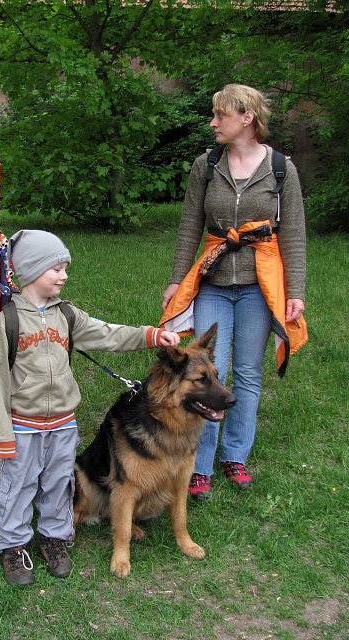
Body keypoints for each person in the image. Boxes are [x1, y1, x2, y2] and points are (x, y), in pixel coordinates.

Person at [0, 230, 180, 586]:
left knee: (59, 483)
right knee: (18, 484)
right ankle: (13, 545)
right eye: (56, 269)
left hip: (62, 423)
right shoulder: (8, 321)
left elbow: (108, 334)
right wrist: (1, 435)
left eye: (65, 269)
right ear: (30, 271)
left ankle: (54, 536)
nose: (64, 276)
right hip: (22, 425)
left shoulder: (68, 315)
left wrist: (149, 335)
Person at [161, 84, 307, 501]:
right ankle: (200, 465)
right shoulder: (205, 165)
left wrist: (295, 290)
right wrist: (176, 279)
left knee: (247, 372)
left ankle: (235, 456)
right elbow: (190, 224)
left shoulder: (281, 169)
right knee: (210, 370)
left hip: (261, 286)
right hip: (213, 283)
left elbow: (293, 232)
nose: (212, 123)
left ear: (246, 117)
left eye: (219, 115)